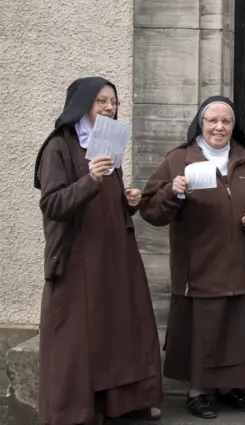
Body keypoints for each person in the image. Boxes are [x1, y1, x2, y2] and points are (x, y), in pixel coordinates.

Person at [34, 76, 162, 424]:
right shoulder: (58, 147)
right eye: (102, 101)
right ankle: (74, 411)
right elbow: (53, 204)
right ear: (82, 105)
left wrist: (129, 200)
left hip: (115, 254)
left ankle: (123, 404)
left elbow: (109, 199)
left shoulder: (108, 142)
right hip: (78, 257)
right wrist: (89, 179)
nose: (110, 107)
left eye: (113, 101)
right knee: (78, 340)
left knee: (122, 329)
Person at [139, 96, 245, 419]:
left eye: (226, 121)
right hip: (198, 266)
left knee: (237, 331)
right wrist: (173, 191)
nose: (219, 126)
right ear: (200, 124)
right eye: (212, 120)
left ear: (233, 126)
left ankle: (232, 388)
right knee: (204, 331)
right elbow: (150, 211)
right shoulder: (178, 159)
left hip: (242, 263)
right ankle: (198, 392)